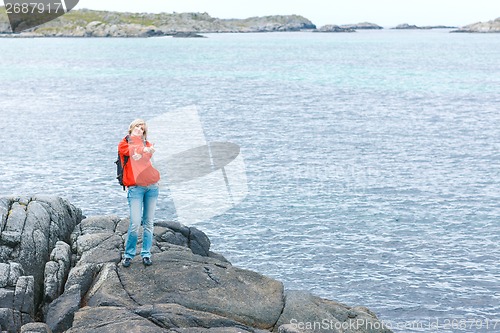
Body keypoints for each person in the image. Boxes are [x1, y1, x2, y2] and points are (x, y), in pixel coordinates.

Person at [118, 119, 160, 267]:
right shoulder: (124, 143)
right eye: (137, 126)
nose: (139, 129)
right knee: (135, 223)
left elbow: (145, 156)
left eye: (142, 128)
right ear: (131, 127)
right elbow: (129, 150)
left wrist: (146, 151)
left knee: (148, 222)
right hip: (135, 188)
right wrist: (143, 150)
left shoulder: (147, 144)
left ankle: (146, 254)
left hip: (151, 187)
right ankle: (128, 255)